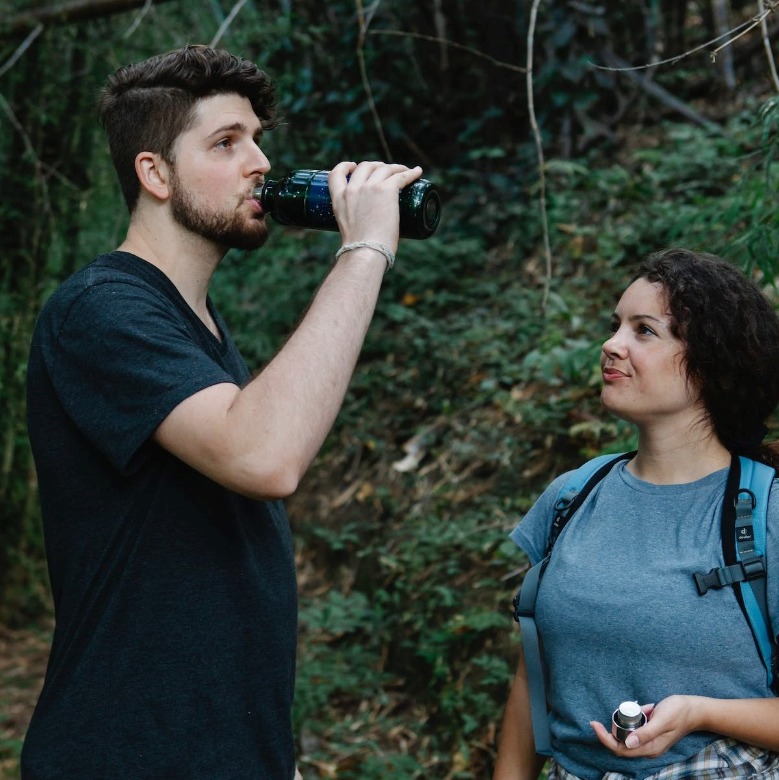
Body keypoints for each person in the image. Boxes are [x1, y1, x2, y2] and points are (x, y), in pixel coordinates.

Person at [22, 44, 422, 779]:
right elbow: (264, 455)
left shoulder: (193, 324)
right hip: (126, 756)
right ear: (154, 173)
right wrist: (364, 247)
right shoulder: (101, 310)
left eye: (256, 138)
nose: (261, 162)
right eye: (226, 143)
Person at [494, 248, 779, 780]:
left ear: (711, 361)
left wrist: (701, 710)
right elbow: (533, 676)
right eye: (615, 325)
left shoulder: (766, 512)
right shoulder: (574, 494)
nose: (611, 344)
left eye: (643, 331)